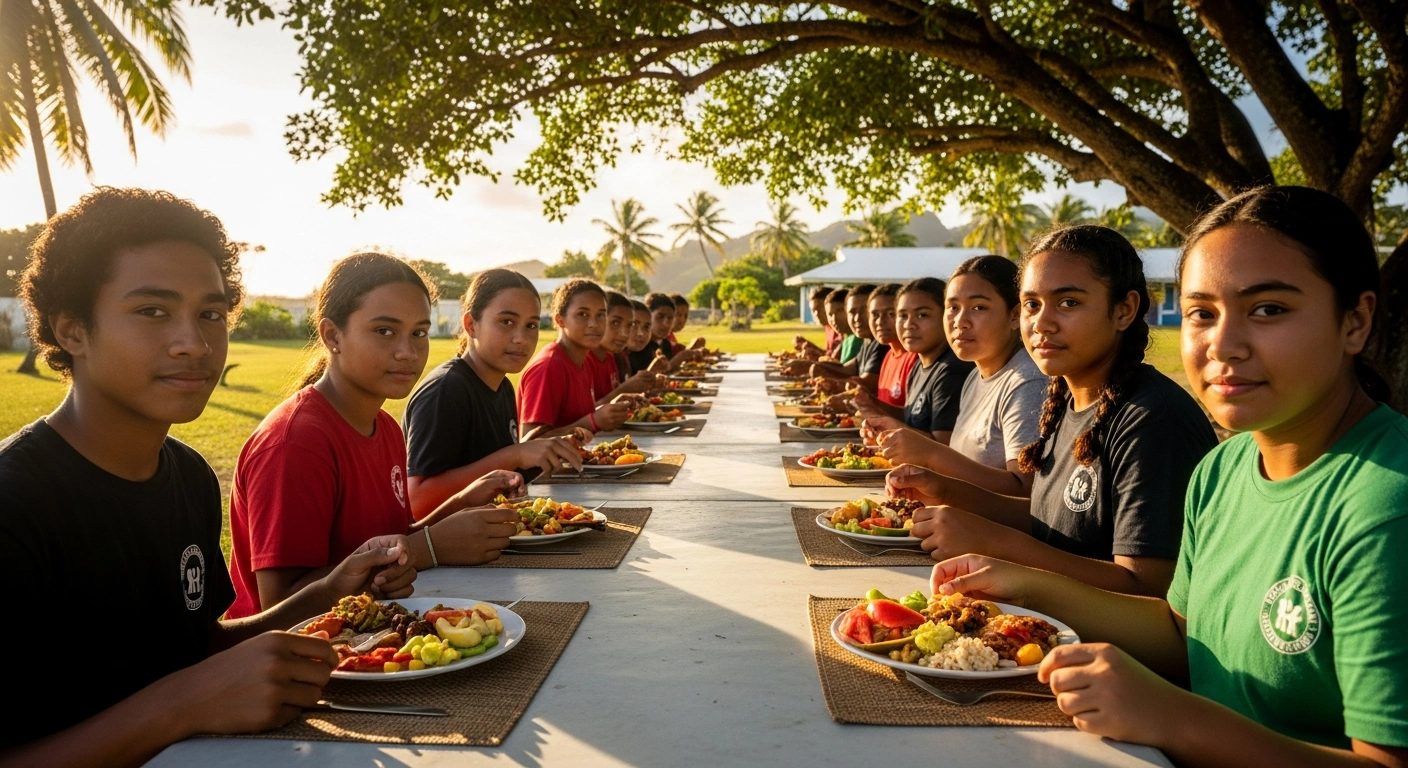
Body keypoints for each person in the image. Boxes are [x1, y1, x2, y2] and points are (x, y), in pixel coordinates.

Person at [928, 187, 1407, 765]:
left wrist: (1173, 717)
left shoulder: (1385, 507)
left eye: (1269, 310)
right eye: (1202, 313)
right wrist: (1019, 582)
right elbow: (1183, 636)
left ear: (1355, 321)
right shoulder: (1224, 469)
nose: (1222, 346)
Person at [1, 188, 416, 763]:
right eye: (152, 311)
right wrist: (182, 706)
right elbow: (187, 689)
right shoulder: (17, 504)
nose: (194, 344)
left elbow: (196, 649)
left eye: (211, 315)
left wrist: (328, 591)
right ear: (71, 329)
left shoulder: (188, 475)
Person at [889, 226, 1216, 596]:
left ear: (1124, 310)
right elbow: (1048, 523)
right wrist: (947, 491)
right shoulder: (1068, 398)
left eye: (1068, 302)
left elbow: (1146, 590)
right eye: (1032, 304)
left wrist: (997, 544)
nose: (1041, 324)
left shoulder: (1152, 418)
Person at [228, 253, 524, 618]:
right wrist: (428, 548)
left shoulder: (383, 425)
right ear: (332, 335)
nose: (408, 351)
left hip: (380, 633)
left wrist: (462, 501)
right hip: (298, 659)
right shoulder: (296, 442)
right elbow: (280, 605)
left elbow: (393, 538)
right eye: (384, 331)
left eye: (419, 332)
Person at [403, 269, 588, 520]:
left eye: (531, 325)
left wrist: (542, 452)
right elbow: (417, 502)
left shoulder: (501, 386)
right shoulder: (446, 391)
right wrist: (514, 455)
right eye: (507, 322)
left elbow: (495, 475)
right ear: (471, 325)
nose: (521, 338)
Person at [875, 256, 1046, 496]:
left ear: (1015, 315)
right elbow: (965, 470)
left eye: (979, 307)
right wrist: (924, 477)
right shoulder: (975, 377)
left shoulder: (1027, 381)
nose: (960, 322)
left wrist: (930, 454)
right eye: (953, 308)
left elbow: (1025, 491)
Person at [856, 278, 975, 444]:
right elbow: (912, 417)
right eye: (902, 316)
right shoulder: (920, 363)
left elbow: (944, 447)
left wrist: (893, 429)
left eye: (922, 315)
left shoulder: (952, 371)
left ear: (947, 318)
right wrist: (870, 404)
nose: (909, 325)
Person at [519, 279, 632, 438]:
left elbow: (574, 418)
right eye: (582, 314)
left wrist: (610, 408)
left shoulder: (582, 361)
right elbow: (530, 443)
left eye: (600, 315)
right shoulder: (549, 367)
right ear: (560, 320)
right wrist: (592, 422)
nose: (593, 324)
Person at [783, 284, 883, 391]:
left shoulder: (881, 344)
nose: (857, 318)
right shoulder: (868, 341)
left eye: (863, 310)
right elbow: (847, 369)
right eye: (852, 312)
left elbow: (866, 384)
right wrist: (810, 365)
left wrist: (828, 381)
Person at [592, 291, 661, 403]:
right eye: (615, 323)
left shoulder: (610, 358)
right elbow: (582, 415)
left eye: (629, 325)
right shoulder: (582, 360)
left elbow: (618, 400)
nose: (624, 333)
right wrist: (623, 390)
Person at [628, 292, 698, 372]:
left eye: (670, 318)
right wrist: (679, 357)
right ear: (648, 316)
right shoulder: (637, 347)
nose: (666, 324)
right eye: (660, 317)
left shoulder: (664, 344)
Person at [870, 283, 915, 406]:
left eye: (891, 314)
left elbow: (912, 418)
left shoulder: (915, 358)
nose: (880, 321)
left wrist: (868, 403)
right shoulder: (889, 355)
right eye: (875, 315)